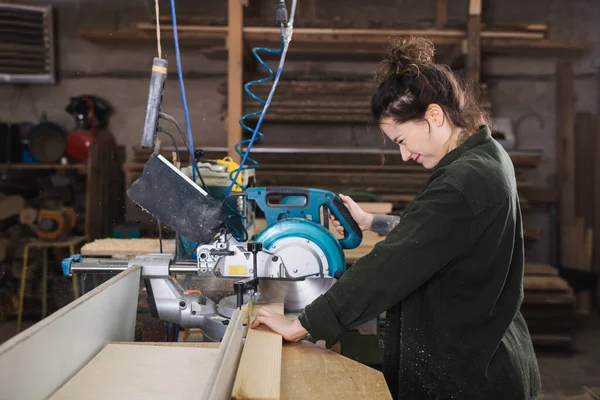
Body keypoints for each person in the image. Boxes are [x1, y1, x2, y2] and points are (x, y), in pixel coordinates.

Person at [250, 36, 541, 399]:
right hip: (489, 346)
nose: (404, 156)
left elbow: (392, 265)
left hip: (470, 375)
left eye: (402, 140)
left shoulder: (463, 182)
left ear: (434, 116)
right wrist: (374, 222)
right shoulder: (487, 156)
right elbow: (442, 234)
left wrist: (305, 324)